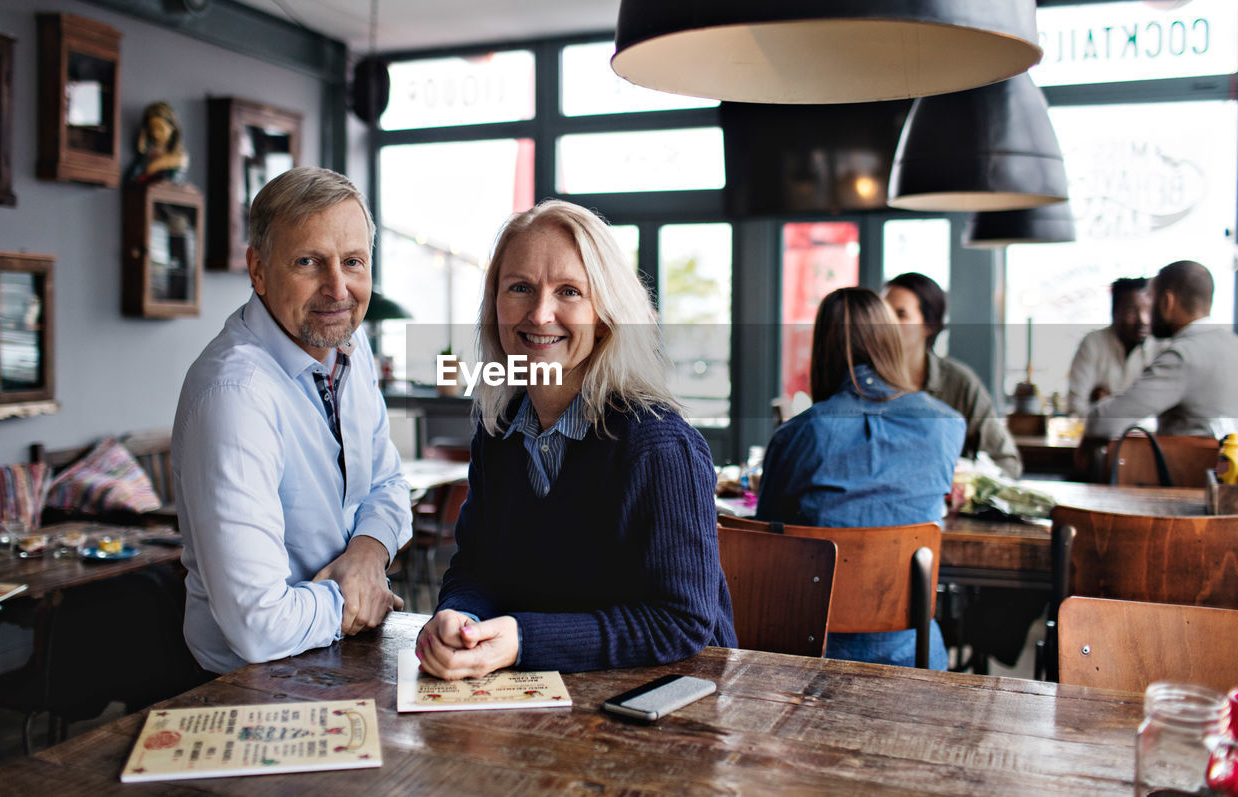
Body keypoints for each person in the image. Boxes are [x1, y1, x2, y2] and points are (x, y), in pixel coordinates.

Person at [415, 200, 736, 680]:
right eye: (519, 287)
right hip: (537, 700)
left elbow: (682, 623)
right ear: (495, 305)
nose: (540, 313)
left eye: (569, 291)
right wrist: (462, 618)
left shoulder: (661, 445)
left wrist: (521, 641)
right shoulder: (496, 430)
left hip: (668, 704)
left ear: (606, 313)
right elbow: (476, 567)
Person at [172, 167, 412, 675]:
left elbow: (387, 483)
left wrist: (368, 554)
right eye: (308, 262)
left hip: (339, 656)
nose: (338, 288)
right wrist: (356, 598)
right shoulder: (234, 396)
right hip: (245, 685)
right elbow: (258, 626)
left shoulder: (350, 343)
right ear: (257, 270)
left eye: (353, 262)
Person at [756, 287, 964, 669]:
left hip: (808, 650)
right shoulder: (947, 425)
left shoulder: (798, 434)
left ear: (824, 349)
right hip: (911, 654)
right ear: (890, 342)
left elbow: (765, 539)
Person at [884, 272, 1022, 478]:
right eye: (883, 315)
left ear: (929, 325)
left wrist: (965, 483)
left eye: (901, 315)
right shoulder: (862, 382)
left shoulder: (960, 382)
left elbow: (1007, 462)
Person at [1085, 260, 1238, 440]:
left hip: (1188, 467)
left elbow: (1102, 423)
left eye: (1150, 298)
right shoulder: (1232, 343)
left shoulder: (1183, 356)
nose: (1146, 314)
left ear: (1167, 302)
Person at [1067, 277, 1159, 417]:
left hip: (1147, 438)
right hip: (1100, 438)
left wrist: (1105, 406)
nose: (1143, 321)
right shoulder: (1093, 343)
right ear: (1115, 313)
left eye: (1148, 311)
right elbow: (1075, 407)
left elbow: (1161, 412)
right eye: (1131, 312)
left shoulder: (1162, 347)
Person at [125, 101, 188, 184]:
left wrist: (157, 165)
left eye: (160, 128)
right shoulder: (146, 157)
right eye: (152, 128)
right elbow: (132, 179)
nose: (156, 134)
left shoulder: (179, 157)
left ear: (172, 126)